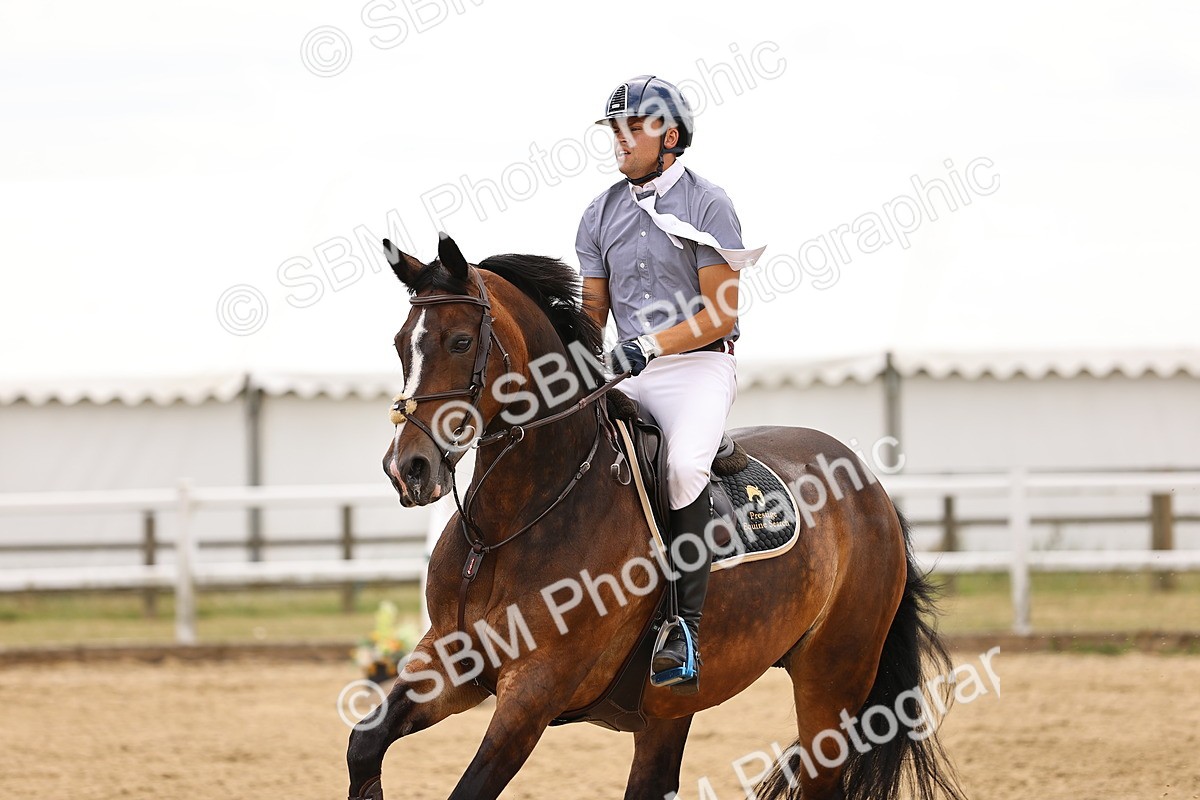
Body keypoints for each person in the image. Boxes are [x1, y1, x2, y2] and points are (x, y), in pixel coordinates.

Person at [576, 75, 763, 695]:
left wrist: (649, 344)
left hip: (698, 368)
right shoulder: (599, 213)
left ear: (670, 136)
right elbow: (592, 313)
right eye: (614, 130)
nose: (620, 140)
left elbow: (723, 314)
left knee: (683, 467)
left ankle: (683, 627)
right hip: (630, 372)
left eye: (633, 128)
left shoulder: (709, 204)